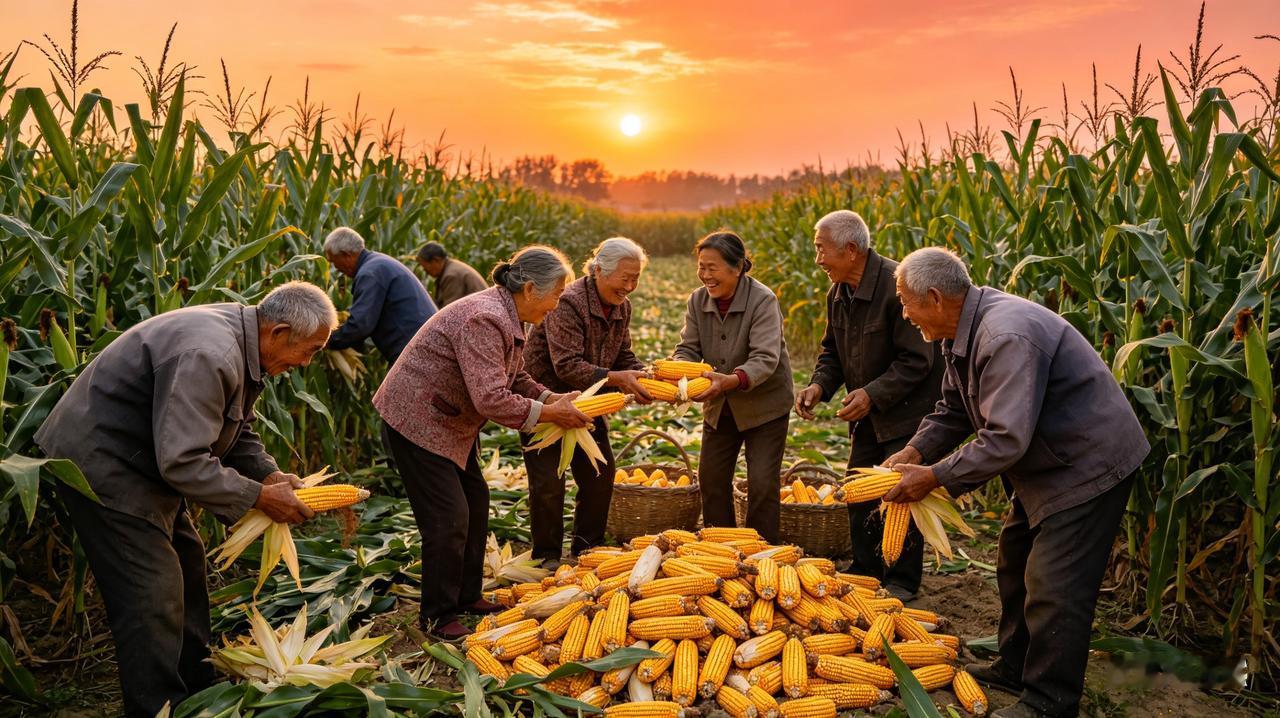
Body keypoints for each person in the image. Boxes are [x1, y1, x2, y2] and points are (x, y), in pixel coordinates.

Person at [33, 282, 336, 717]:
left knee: (188, 562)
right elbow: (182, 461)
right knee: (152, 591)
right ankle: (156, 707)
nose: (306, 363)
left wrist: (268, 473)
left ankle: (197, 685)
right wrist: (259, 497)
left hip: (144, 455)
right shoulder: (210, 354)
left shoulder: (244, 343)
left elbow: (234, 429)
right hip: (103, 462)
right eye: (309, 350)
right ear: (278, 331)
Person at [882, 247, 1151, 718]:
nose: (903, 313)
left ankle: (1049, 702)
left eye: (905, 302)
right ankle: (1015, 663)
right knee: (1014, 559)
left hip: (1086, 462)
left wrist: (934, 477)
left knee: (1054, 581)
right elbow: (953, 409)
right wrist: (916, 450)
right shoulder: (958, 333)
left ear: (934, 297)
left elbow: (1005, 438)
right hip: (1049, 461)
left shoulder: (1005, 335)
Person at [374, 245, 591, 641]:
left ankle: (468, 595)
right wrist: (550, 415)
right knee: (449, 518)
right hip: (418, 420)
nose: (558, 305)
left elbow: (515, 376)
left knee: (475, 501)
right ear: (529, 289)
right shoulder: (485, 319)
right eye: (557, 294)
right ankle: (438, 616)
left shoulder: (513, 317)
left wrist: (550, 399)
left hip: (450, 423)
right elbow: (490, 398)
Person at [794, 210, 943, 601]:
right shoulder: (837, 294)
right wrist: (818, 386)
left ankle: (903, 580)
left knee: (901, 496)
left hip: (906, 415)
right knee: (859, 491)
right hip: (867, 418)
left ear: (851, 249)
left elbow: (918, 360)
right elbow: (833, 352)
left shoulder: (900, 289)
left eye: (821, 250)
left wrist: (872, 394)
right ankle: (865, 567)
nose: (818, 260)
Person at [521, 237, 653, 567]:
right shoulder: (568, 302)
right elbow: (566, 365)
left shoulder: (622, 306)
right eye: (625, 277)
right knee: (549, 483)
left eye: (636, 278)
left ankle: (587, 548)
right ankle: (547, 556)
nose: (630, 286)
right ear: (597, 271)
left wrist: (642, 375)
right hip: (546, 399)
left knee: (600, 475)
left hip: (587, 403)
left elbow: (623, 353)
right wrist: (616, 379)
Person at [672, 231, 793, 542]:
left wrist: (732, 380)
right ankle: (721, 548)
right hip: (719, 407)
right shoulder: (698, 300)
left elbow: (766, 357)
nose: (705, 276)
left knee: (763, 483)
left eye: (712, 268)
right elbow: (688, 347)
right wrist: (678, 370)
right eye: (701, 267)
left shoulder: (762, 300)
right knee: (711, 479)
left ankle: (760, 551)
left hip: (764, 407)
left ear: (737, 267)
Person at [323, 227, 437, 365]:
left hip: (416, 351)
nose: (336, 268)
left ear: (346, 254)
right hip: (424, 346)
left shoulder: (370, 273)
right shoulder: (378, 263)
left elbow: (360, 325)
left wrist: (326, 340)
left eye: (334, 262)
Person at [416, 241, 488, 307]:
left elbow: (450, 311)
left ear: (436, 260)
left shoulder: (451, 275)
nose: (425, 270)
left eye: (425, 266)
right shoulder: (449, 268)